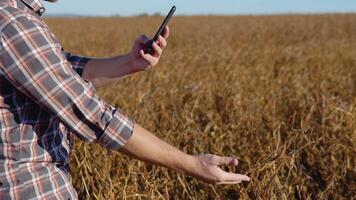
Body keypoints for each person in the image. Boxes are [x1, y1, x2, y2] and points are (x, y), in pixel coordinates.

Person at [0, 0, 250, 199]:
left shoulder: (19, 18)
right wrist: (190, 164)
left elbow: (66, 70)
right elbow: (92, 114)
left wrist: (130, 63)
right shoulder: (11, 23)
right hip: (29, 189)